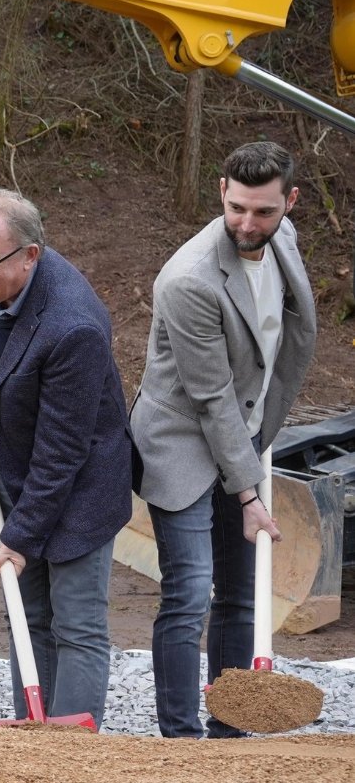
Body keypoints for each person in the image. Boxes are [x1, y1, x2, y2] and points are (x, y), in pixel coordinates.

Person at [133, 141, 317, 739]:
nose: (247, 223)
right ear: (221, 192)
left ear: (289, 202)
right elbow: (210, 400)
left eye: (263, 211)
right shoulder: (189, 281)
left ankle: (231, 727)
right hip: (180, 443)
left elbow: (283, 342)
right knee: (189, 593)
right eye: (237, 207)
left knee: (240, 595)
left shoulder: (281, 242)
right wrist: (250, 495)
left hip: (241, 431)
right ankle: (181, 736)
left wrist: (260, 438)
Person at [0, 188, 130, 729]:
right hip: (19, 468)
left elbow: (63, 452)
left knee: (76, 624)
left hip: (81, 485)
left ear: (30, 255)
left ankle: (71, 750)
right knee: (28, 615)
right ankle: (32, 736)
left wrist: (20, 536)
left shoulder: (73, 328)